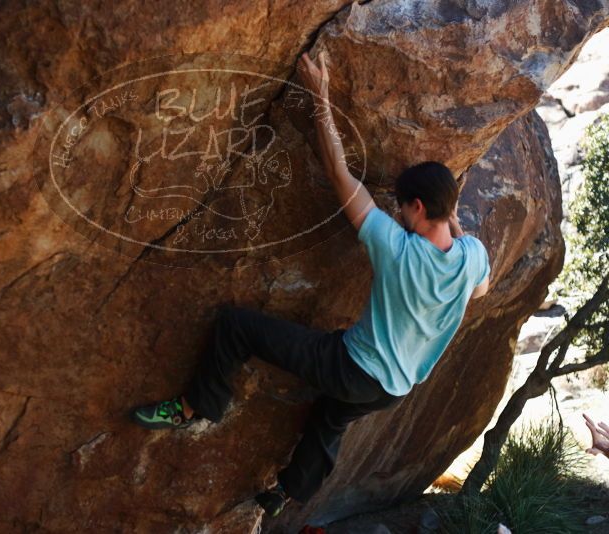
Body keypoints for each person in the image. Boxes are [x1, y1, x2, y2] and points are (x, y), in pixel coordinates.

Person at [131, 50, 491, 518]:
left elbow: (339, 174)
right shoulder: (472, 257)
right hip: (394, 389)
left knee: (236, 326)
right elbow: (478, 290)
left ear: (418, 208)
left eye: (403, 207)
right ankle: (288, 493)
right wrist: (458, 229)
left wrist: (320, 96)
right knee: (329, 416)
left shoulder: (395, 246)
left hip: (352, 366)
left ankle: (197, 405)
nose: (398, 214)